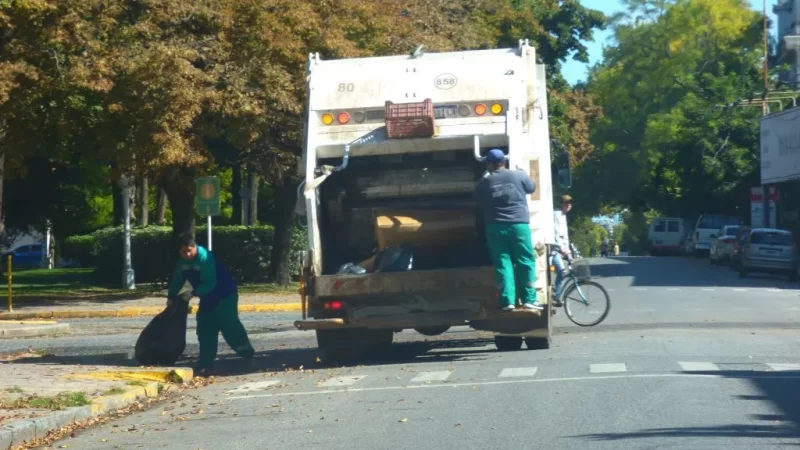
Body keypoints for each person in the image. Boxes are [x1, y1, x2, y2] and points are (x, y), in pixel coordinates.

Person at [167, 233, 255, 376]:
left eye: (189, 250)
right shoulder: (182, 263)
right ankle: (205, 364)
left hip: (225, 295)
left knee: (229, 325)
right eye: (183, 252)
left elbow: (210, 282)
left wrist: (193, 293)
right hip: (207, 298)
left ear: (194, 247)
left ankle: (247, 354)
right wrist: (171, 297)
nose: (187, 254)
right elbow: (178, 280)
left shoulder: (205, 258)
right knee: (205, 328)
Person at [475, 148, 543, 312]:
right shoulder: (518, 175)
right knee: (525, 261)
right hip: (519, 225)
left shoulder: (485, 182)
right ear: (504, 161)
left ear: (490, 164)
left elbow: (477, 199)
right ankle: (529, 299)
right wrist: (524, 173)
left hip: (495, 226)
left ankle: (507, 302)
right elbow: (532, 188)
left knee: (502, 263)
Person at [552, 194, 573, 305]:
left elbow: (564, 237)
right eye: (566, 202)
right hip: (553, 250)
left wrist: (568, 251)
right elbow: (555, 234)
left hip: (560, 250)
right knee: (562, 271)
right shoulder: (556, 214)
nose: (568, 205)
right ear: (561, 204)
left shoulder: (563, 216)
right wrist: (562, 249)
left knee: (564, 270)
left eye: (570, 203)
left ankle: (557, 292)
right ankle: (557, 297)